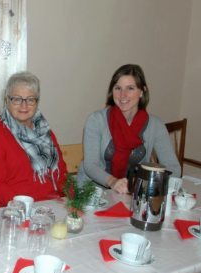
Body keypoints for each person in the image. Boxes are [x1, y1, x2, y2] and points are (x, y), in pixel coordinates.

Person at [77, 64, 180, 194]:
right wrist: (113, 182)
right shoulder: (96, 120)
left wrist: (151, 185)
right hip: (91, 191)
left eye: (130, 88)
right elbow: (90, 165)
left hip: (132, 193)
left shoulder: (156, 125)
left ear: (142, 91)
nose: (122, 95)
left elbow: (174, 168)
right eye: (118, 88)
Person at [0, 72, 68, 207]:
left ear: (37, 102)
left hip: (52, 205)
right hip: (15, 209)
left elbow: (62, 172)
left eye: (30, 100)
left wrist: (73, 199)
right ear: (7, 100)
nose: (24, 106)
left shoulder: (45, 130)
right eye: (17, 99)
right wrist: (26, 207)